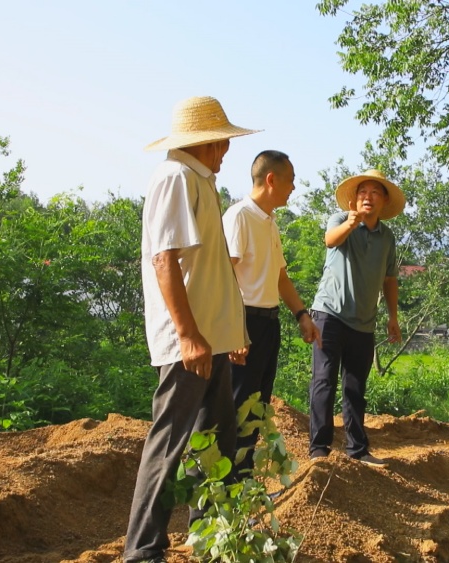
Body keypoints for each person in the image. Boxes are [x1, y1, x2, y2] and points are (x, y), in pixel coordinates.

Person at [122, 95, 260, 563]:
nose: (225, 152)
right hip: (190, 345)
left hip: (210, 342)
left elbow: (211, 271)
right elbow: (165, 259)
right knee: (169, 444)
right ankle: (143, 551)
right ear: (203, 141)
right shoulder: (175, 178)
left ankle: (209, 538)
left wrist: (229, 332)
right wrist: (188, 335)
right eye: (221, 142)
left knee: (215, 442)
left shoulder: (198, 182)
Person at [222, 150, 320, 478]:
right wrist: (234, 330)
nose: (294, 187)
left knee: (256, 410)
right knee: (236, 412)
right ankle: (224, 496)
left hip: (268, 323)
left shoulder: (269, 222)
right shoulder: (239, 217)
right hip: (243, 324)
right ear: (271, 179)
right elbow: (225, 278)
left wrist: (302, 315)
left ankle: (244, 488)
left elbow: (280, 278)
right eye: (290, 180)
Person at [308, 169, 405, 468]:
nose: (367, 196)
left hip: (364, 322)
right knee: (323, 380)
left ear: (384, 200)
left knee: (355, 387)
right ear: (355, 197)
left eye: (375, 192)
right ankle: (319, 450)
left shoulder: (387, 237)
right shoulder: (340, 220)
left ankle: (358, 449)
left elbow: (390, 279)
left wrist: (392, 316)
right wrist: (351, 223)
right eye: (362, 191)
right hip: (329, 314)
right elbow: (329, 241)